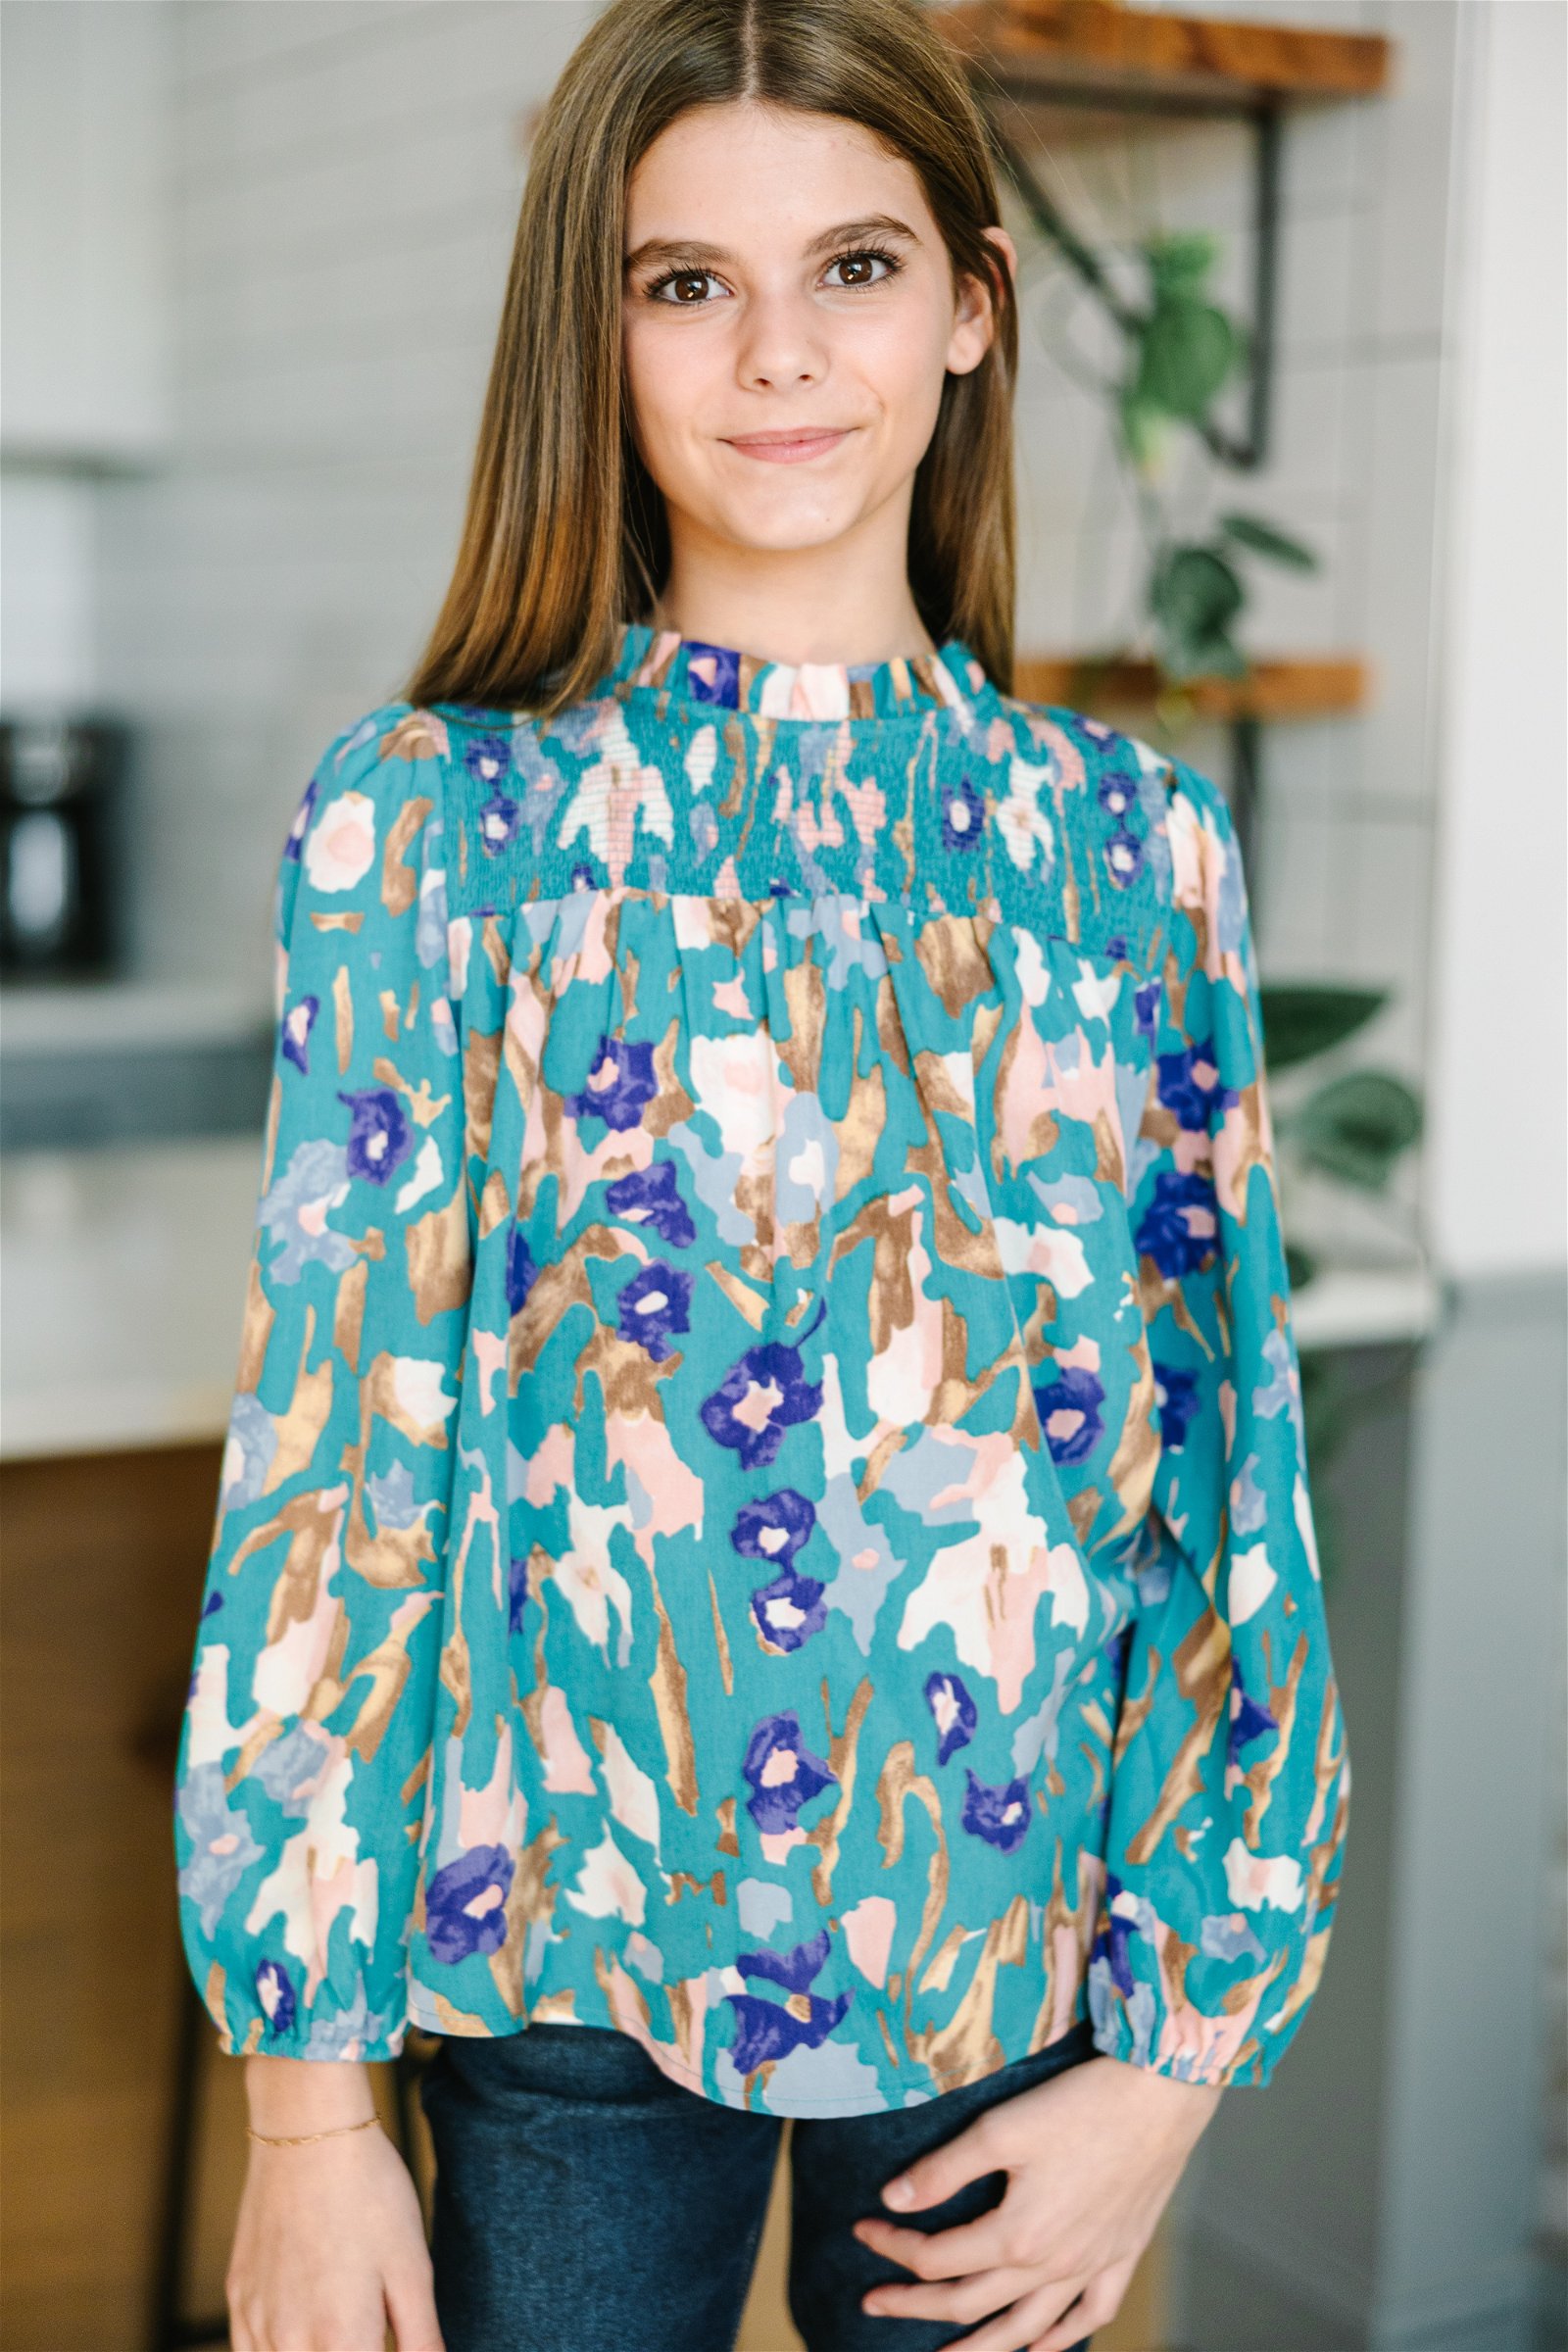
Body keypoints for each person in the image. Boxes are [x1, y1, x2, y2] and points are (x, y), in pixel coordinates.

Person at [172, 2, 1351, 2347]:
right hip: (562, 1971)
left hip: (1016, 1960)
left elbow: (1223, 1472)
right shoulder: (433, 827)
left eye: (856, 268)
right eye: (685, 282)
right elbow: (337, 1473)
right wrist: (306, 2131)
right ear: (593, 335)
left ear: (974, 306)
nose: (780, 357)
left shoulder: (1130, 851)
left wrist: (1174, 2067)